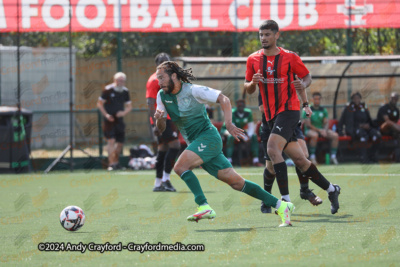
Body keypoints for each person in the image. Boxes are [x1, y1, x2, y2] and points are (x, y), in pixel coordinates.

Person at [154, 61, 294, 227]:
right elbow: (161, 128)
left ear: (174, 76)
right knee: (236, 183)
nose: (159, 81)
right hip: (198, 143)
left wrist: (228, 124)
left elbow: (224, 99)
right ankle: (282, 205)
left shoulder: (193, 90)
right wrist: (159, 119)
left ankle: (203, 205)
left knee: (180, 167)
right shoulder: (161, 96)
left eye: (162, 77)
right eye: (158, 78)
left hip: (208, 138)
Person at [244, 19, 341, 214]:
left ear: (277, 35)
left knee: (273, 149)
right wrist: (253, 83)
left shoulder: (290, 57)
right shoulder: (253, 59)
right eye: (261, 35)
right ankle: (332, 189)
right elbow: (247, 88)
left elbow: (306, 77)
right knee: (299, 159)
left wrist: (304, 88)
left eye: (268, 35)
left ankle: (285, 202)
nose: (263, 38)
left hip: (288, 111)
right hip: (269, 117)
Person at [258, 95, 322, 214]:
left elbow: (303, 85)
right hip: (271, 125)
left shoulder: (290, 80)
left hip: (291, 123)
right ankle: (266, 198)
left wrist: (305, 105)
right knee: (271, 168)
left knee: (303, 156)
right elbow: (262, 108)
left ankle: (305, 190)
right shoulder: (267, 80)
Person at [146, 53, 180, 192]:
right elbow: (150, 102)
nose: (166, 65)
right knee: (175, 146)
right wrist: (154, 123)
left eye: (167, 62)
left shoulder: (168, 78)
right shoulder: (155, 80)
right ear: (157, 65)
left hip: (169, 118)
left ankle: (158, 183)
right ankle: (165, 180)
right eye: (163, 62)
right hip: (162, 120)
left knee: (163, 149)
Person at [97, 72, 132, 171]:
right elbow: (99, 104)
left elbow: (129, 107)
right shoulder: (108, 90)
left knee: (120, 143)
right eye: (119, 80)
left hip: (119, 121)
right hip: (109, 121)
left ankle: (116, 162)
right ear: (115, 80)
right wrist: (107, 115)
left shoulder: (125, 91)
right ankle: (111, 164)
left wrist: (123, 113)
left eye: (122, 81)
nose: (121, 82)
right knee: (111, 141)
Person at [338, 92, 381, 163]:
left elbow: (369, 119)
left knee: (376, 136)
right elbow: (343, 121)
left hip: (366, 128)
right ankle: (364, 158)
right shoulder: (349, 108)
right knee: (363, 137)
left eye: (358, 98)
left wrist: (369, 125)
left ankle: (372, 156)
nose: (356, 100)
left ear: (360, 99)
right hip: (355, 129)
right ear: (352, 99)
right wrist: (340, 131)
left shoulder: (364, 106)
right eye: (354, 98)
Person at [220, 99, 261, 166]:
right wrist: (244, 137)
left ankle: (255, 160)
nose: (241, 107)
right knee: (231, 136)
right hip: (228, 129)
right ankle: (229, 160)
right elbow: (232, 128)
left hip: (239, 130)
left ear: (244, 106)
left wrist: (249, 136)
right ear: (237, 106)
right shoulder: (232, 112)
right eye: (239, 106)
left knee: (254, 136)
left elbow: (251, 126)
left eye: (242, 105)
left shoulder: (248, 112)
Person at [302, 92, 339, 165]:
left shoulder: (323, 110)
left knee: (335, 135)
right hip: (310, 130)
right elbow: (308, 125)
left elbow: (326, 122)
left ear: (320, 99)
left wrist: (325, 130)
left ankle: (333, 157)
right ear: (312, 100)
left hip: (322, 130)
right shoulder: (308, 109)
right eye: (315, 99)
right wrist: (320, 131)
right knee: (315, 135)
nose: (317, 101)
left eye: (318, 99)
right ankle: (312, 157)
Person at [377, 92, 400, 161]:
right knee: (388, 123)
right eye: (393, 98)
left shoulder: (396, 110)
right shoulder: (384, 108)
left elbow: (396, 122)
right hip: (382, 129)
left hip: (393, 130)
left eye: (396, 98)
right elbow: (387, 121)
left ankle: (397, 156)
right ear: (389, 98)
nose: (394, 100)